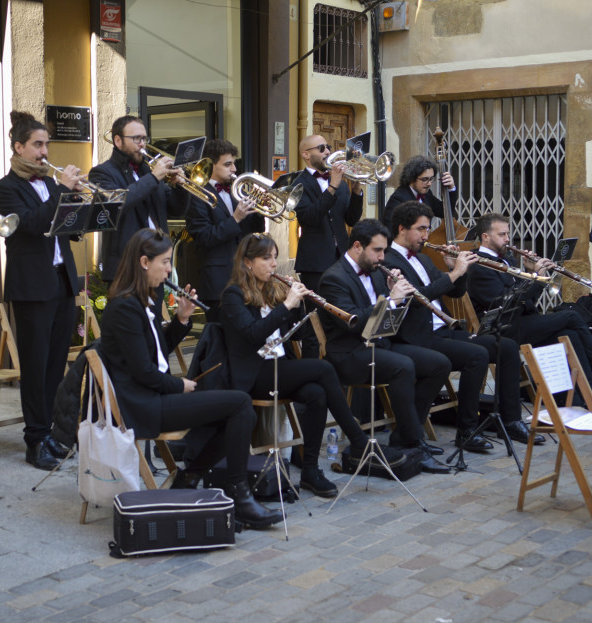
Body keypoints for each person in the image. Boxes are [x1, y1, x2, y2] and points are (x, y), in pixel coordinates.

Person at [100, 228, 281, 529]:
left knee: (238, 409)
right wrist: (180, 384)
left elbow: (156, 353)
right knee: (239, 403)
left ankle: (192, 477)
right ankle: (236, 494)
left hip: (154, 396)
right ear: (144, 262)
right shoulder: (124, 307)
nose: (170, 269)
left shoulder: (142, 299)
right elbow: (144, 372)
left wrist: (182, 319)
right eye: (165, 262)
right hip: (142, 405)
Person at [220, 233, 386, 496]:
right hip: (255, 374)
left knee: (317, 394)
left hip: (280, 367)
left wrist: (300, 302)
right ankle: (358, 440)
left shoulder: (271, 290)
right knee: (323, 368)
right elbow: (253, 333)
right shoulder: (233, 295)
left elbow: (291, 334)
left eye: (275, 257)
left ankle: (310, 470)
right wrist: (286, 305)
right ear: (248, 262)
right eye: (266, 259)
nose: (274, 265)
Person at [384, 202, 541, 449]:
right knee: (476, 355)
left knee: (506, 347)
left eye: (427, 229)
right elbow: (418, 298)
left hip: (445, 330)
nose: (426, 236)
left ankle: (510, 421)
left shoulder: (424, 259)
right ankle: (466, 430)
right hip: (418, 336)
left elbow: (455, 292)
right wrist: (454, 273)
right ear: (402, 229)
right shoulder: (390, 260)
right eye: (421, 229)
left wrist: (454, 269)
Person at [467, 213, 592, 408]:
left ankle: (589, 400)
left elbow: (527, 300)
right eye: (502, 235)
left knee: (570, 334)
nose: (508, 239)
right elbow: (506, 303)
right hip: (502, 329)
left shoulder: (506, 258)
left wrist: (535, 274)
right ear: (485, 237)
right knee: (571, 316)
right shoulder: (479, 265)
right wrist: (535, 277)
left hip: (521, 322)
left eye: (508, 234)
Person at [318, 220, 452, 473]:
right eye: (377, 251)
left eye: (384, 251)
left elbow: (385, 319)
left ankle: (404, 437)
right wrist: (391, 300)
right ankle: (414, 442)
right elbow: (353, 323)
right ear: (358, 246)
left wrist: (394, 296)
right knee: (403, 366)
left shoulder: (377, 271)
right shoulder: (333, 278)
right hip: (350, 352)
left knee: (438, 363)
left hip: (379, 344)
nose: (382, 257)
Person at [0, 111, 83, 471]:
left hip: (61, 281)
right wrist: (63, 191)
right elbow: (29, 224)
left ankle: (54, 433)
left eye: (47, 144)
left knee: (55, 363)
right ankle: (35, 439)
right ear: (18, 147)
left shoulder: (50, 183)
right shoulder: (5, 188)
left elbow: (65, 227)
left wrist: (80, 206)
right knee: (34, 364)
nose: (45, 151)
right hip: (31, 286)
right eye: (38, 145)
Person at [88, 116, 189, 282]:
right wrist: (154, 177)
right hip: (125, 268)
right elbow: (118, 204)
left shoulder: (148, 172)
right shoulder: (102, 173)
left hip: (156, 266)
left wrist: (180, 188)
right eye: (136, 138)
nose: (142, 144)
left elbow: (176, 210)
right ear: (118, 141)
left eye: (144, 138)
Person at [293, 134, 364, 357]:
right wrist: (332, 186)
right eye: (321, 148)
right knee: (315, 321)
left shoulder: (341, 182)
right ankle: (311, 371)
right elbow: (310, 218)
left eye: (328, 147)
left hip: (342, 259)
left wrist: (357, 189)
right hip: (315, 263)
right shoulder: (298, 183)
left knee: (342, 316)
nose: (327, 151)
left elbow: (351, 220)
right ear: (306, 154)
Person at [185, 139, 263, 320]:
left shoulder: (237, 192)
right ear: (210, 166)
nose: (234, 169)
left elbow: (250, 233)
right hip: (217, 280)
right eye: (228, 164)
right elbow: (204, 237)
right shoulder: (197, 194)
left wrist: (259, 211)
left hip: (244, 277)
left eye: (234, 163)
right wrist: (235, 219)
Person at [383, 155, 456, 230]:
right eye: (425, 179)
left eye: (431, 179)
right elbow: (391, 231)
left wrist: (451, 188)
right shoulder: (398, 199)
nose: (429, 184)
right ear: (412, 178)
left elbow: (444, 212)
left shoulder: (427, 193)